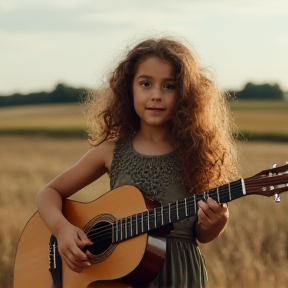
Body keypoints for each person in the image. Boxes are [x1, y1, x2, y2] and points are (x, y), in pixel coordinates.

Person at [37, 36, 239, 288]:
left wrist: (217, 223)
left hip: (179, 276)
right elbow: (49, 193)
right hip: (118, 277)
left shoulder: (198, 153)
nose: (156, 95)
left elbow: (200, 234)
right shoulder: (110, 151)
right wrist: (62, 230)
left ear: (187, 94)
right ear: (128, 89)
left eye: (169, 86)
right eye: (146, 84)